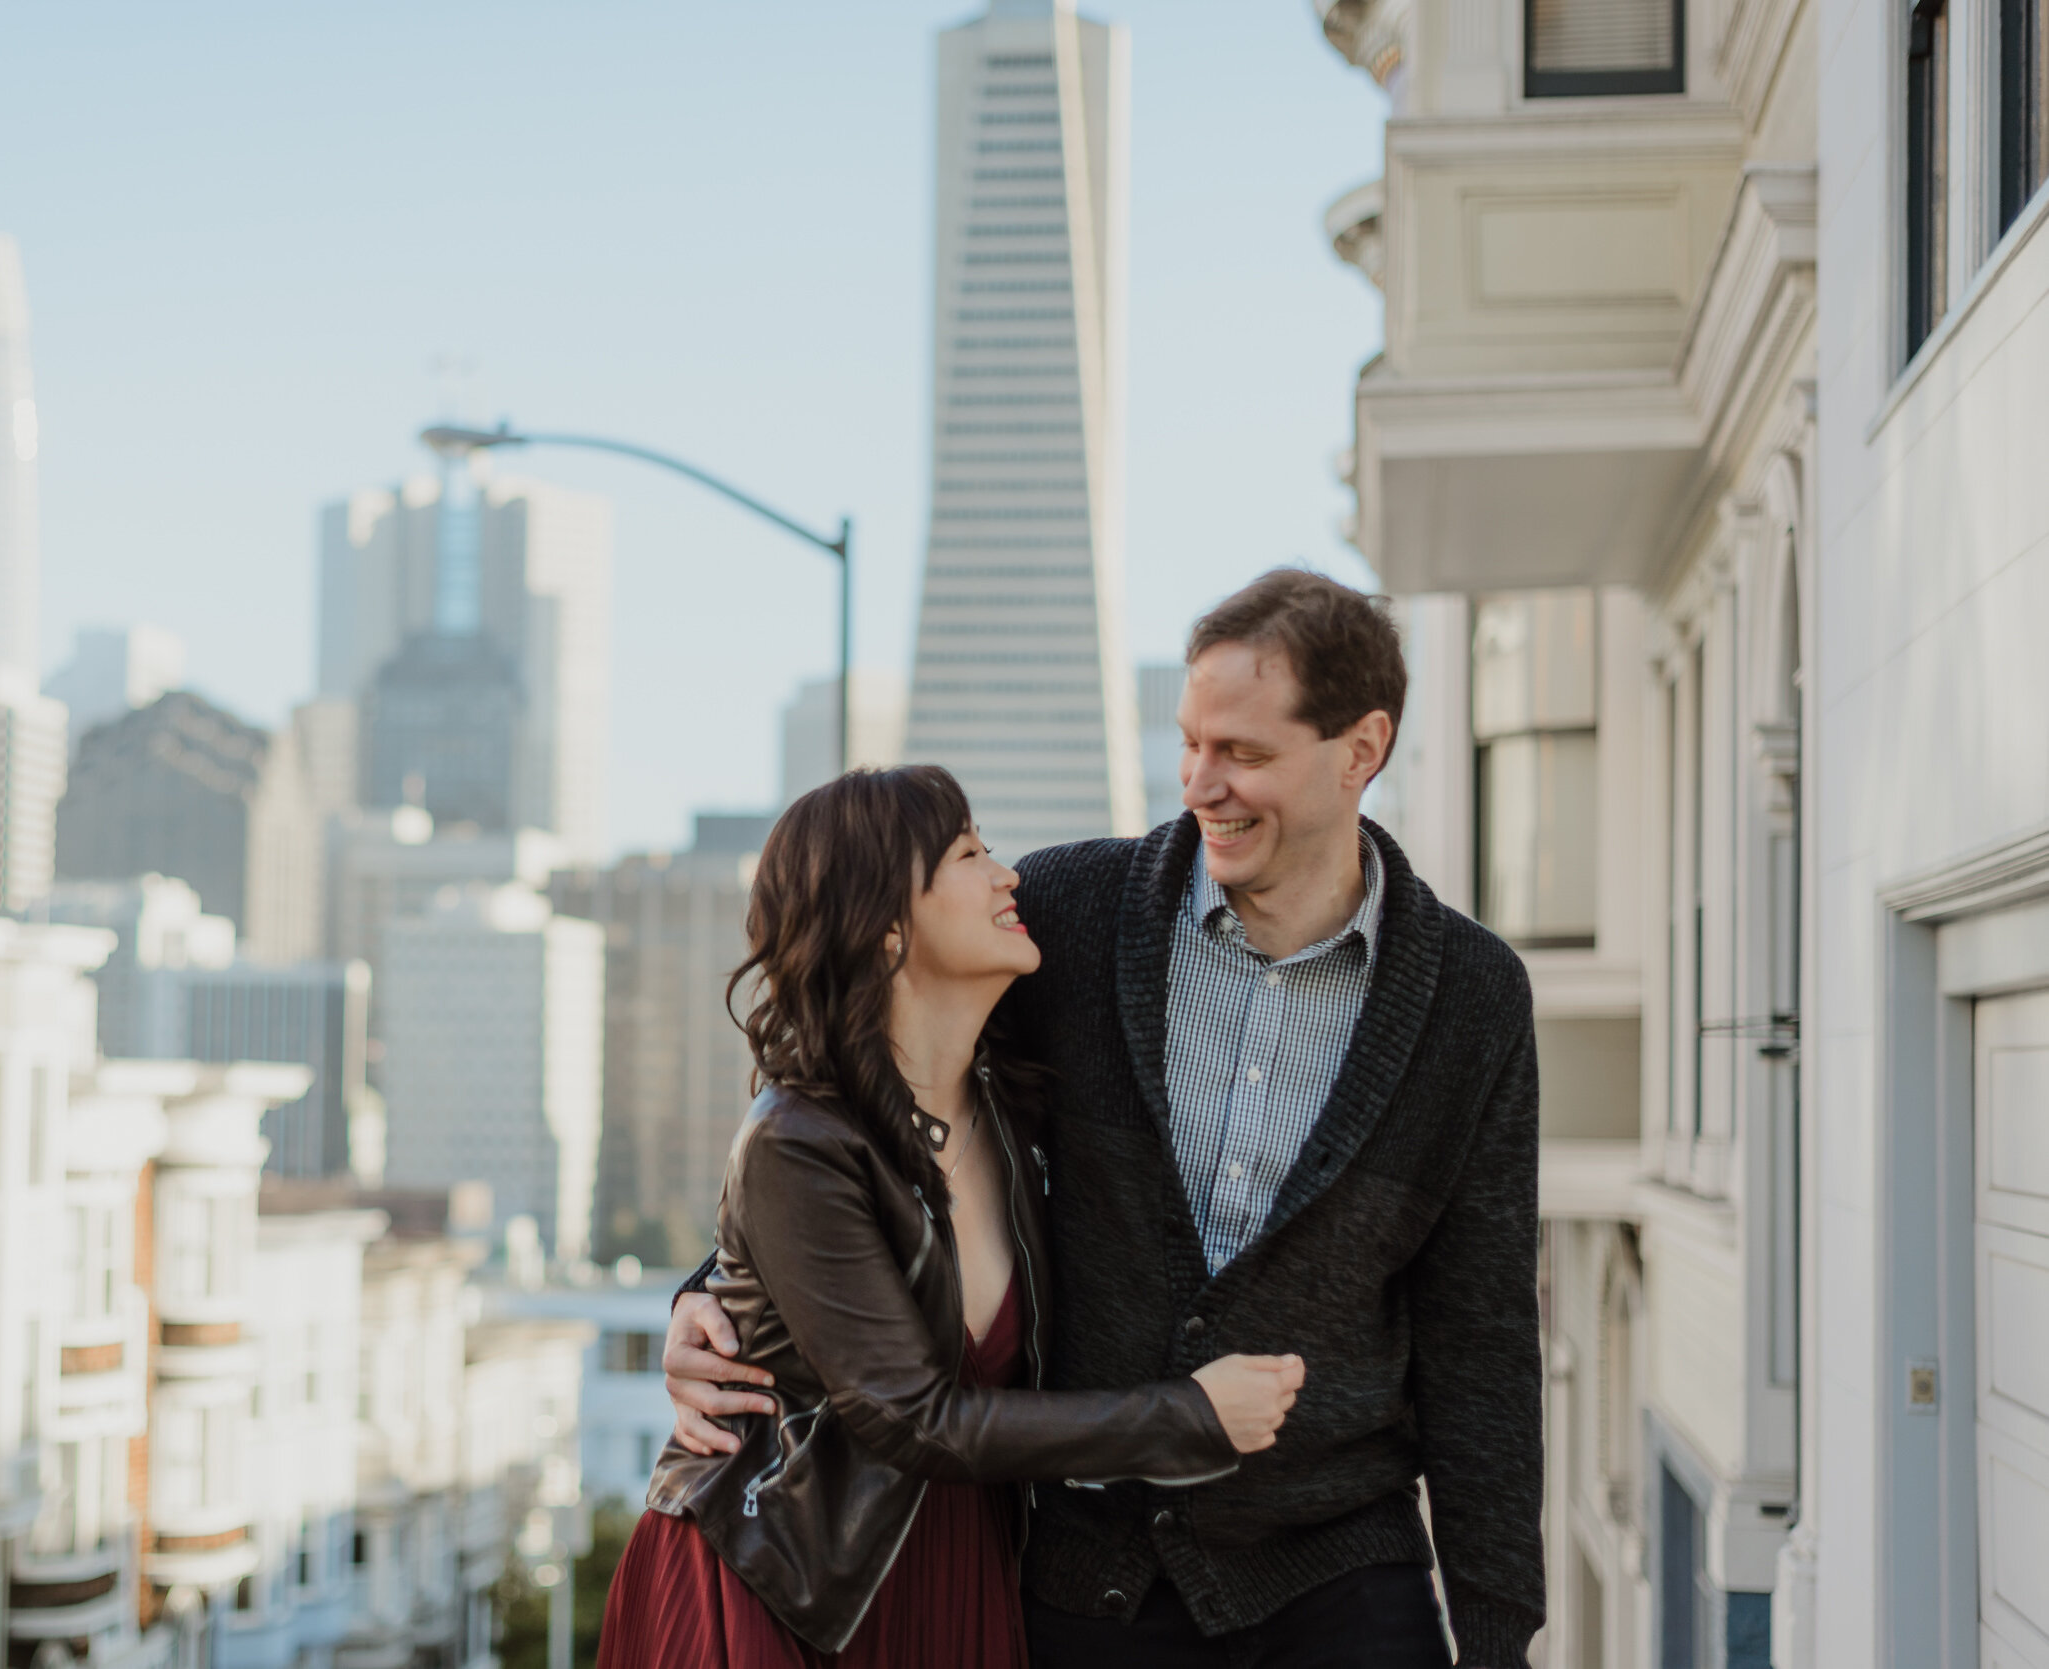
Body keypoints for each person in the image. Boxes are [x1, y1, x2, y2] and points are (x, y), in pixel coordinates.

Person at [666, 570, 1546, 1669]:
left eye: (1244, 754)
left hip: (1339, 1565)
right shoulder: (1072, 917)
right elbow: (869, 1091)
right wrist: (714, 1291)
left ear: (1361, 749)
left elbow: (1483, 1339)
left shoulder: (1468, 998)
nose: (1200, 785)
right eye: (1188, 743)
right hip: (1090, 1571)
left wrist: (1499, 1637)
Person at [600, 764, 1308, 1668]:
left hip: (960, 1576)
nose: (1008, 876)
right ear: (888, 930)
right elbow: (913, 1417)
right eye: (970, 854)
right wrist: (1190, 1418)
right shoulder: (798, 1141)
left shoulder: (1013, 1107)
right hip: (781, 1581)